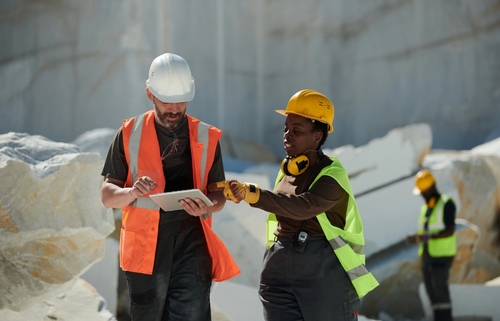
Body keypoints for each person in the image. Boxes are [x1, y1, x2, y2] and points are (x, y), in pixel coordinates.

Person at [209, 89, 378, 321]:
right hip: (278, 272)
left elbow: (302, 207)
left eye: (296, 130)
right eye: (286, 128)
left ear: (317, 136)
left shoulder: (333, 176)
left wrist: (253, 194)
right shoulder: (287, 170)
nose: (287, 135)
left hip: (323, 278)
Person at [101, 53, 239, 321]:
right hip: (145, 250)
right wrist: (131, 193)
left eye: (181, 102)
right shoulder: (129, 133)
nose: (174, 110)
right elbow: (107, 196)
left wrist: (209, 206)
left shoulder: (207, 136)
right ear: (150, 94)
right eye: (167, 102)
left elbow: (219, 193)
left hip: (193, 244)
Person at [407, 169, 456, 321]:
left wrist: (425, 237)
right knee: (432, 292)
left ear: (431, 187)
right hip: (428, 256)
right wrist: (417, 238)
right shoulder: (426, 208)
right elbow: (427, 231)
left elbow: (449, 230)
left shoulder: (447, 203)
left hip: (442, 256)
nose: (421, 194)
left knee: (440, 292)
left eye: (423, 191)